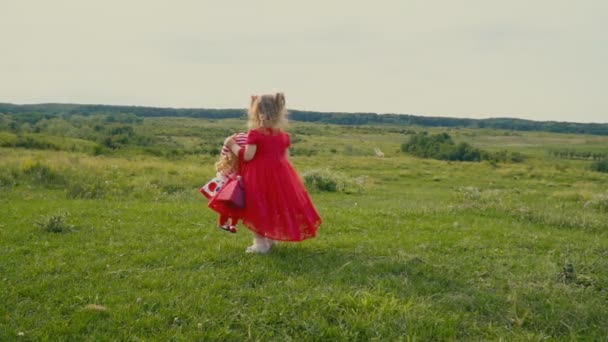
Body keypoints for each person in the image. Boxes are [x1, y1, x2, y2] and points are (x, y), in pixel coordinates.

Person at [225, 93, 321, 253]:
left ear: (255, 112)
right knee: (273, 207)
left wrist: (232, 145)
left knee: (257, 207)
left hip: (258, 176)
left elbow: (248, 156)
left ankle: (260, 244)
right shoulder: (283, 136)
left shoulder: (255, 134)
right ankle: (270, 239)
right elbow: (285, 158)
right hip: (280, 176)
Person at [201, 133, 247, 233]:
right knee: (226, 208)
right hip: (228, 192)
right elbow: (222, 176)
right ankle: (223, 223)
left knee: (235, 209)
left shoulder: (243, 167)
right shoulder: (229, 166)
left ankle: (232, 225)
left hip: (238, 192)